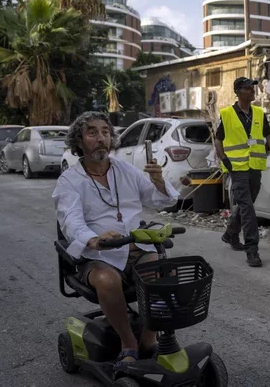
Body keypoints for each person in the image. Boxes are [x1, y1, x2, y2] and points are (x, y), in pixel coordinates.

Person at [53, 111, 179, 371]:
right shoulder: (70, 180)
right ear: (79, 141)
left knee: (163, 272)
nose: (101, 138)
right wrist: (95, 240)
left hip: (138, 249)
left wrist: (159, 182)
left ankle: (148, 339)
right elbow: (71, 221)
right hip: (99, 257)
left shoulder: (125, 169)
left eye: (105, 132)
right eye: (92, 133)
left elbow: (161, 201)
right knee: (106, 280)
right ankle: (128, 342)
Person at [214, 77, 270, 267]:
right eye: (248, 88)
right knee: (247, 208)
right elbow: (218, 140)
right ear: (238, 92)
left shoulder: (259, 113)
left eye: (253, 88)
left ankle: (230, 234)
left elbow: (268, 136)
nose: (253, 91)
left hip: (254, 166)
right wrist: (224, 159)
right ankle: (252, 250)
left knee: (248, 204)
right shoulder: (227, 114)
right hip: (236, 168)